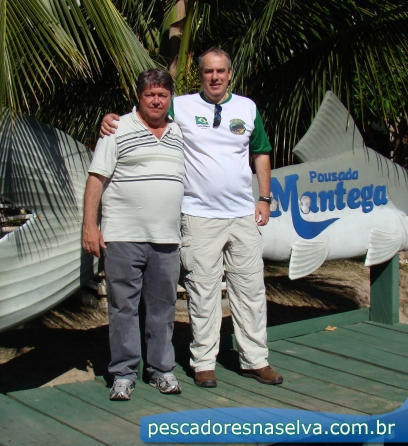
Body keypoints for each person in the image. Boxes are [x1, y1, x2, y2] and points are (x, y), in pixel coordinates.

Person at [101, 47, 283, 388]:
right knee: (203, 293)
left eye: (220, 71)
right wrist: (111, 120)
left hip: (242, 214)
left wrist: (264, 197)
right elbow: (146, 110)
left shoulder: (247, 107)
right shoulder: (181, 105)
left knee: (251, 291)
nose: (214, 77)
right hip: (198, 215)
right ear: (200, 75)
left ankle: (256, 360)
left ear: (230, 74)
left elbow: (260, 152)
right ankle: (203, 363)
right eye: (208, 71)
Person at [83, 68, 184, 400]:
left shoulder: (180, 132)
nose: (156, 100)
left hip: (166, 238)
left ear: (170, 98)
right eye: (149, 94)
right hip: (123, 236)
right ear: (138, 97)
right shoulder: (116, 129)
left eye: (162, 95)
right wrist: (90, 226)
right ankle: (123, 374)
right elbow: (96, 178)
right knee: (123, 308)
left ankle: (161, 370)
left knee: (163, 308)